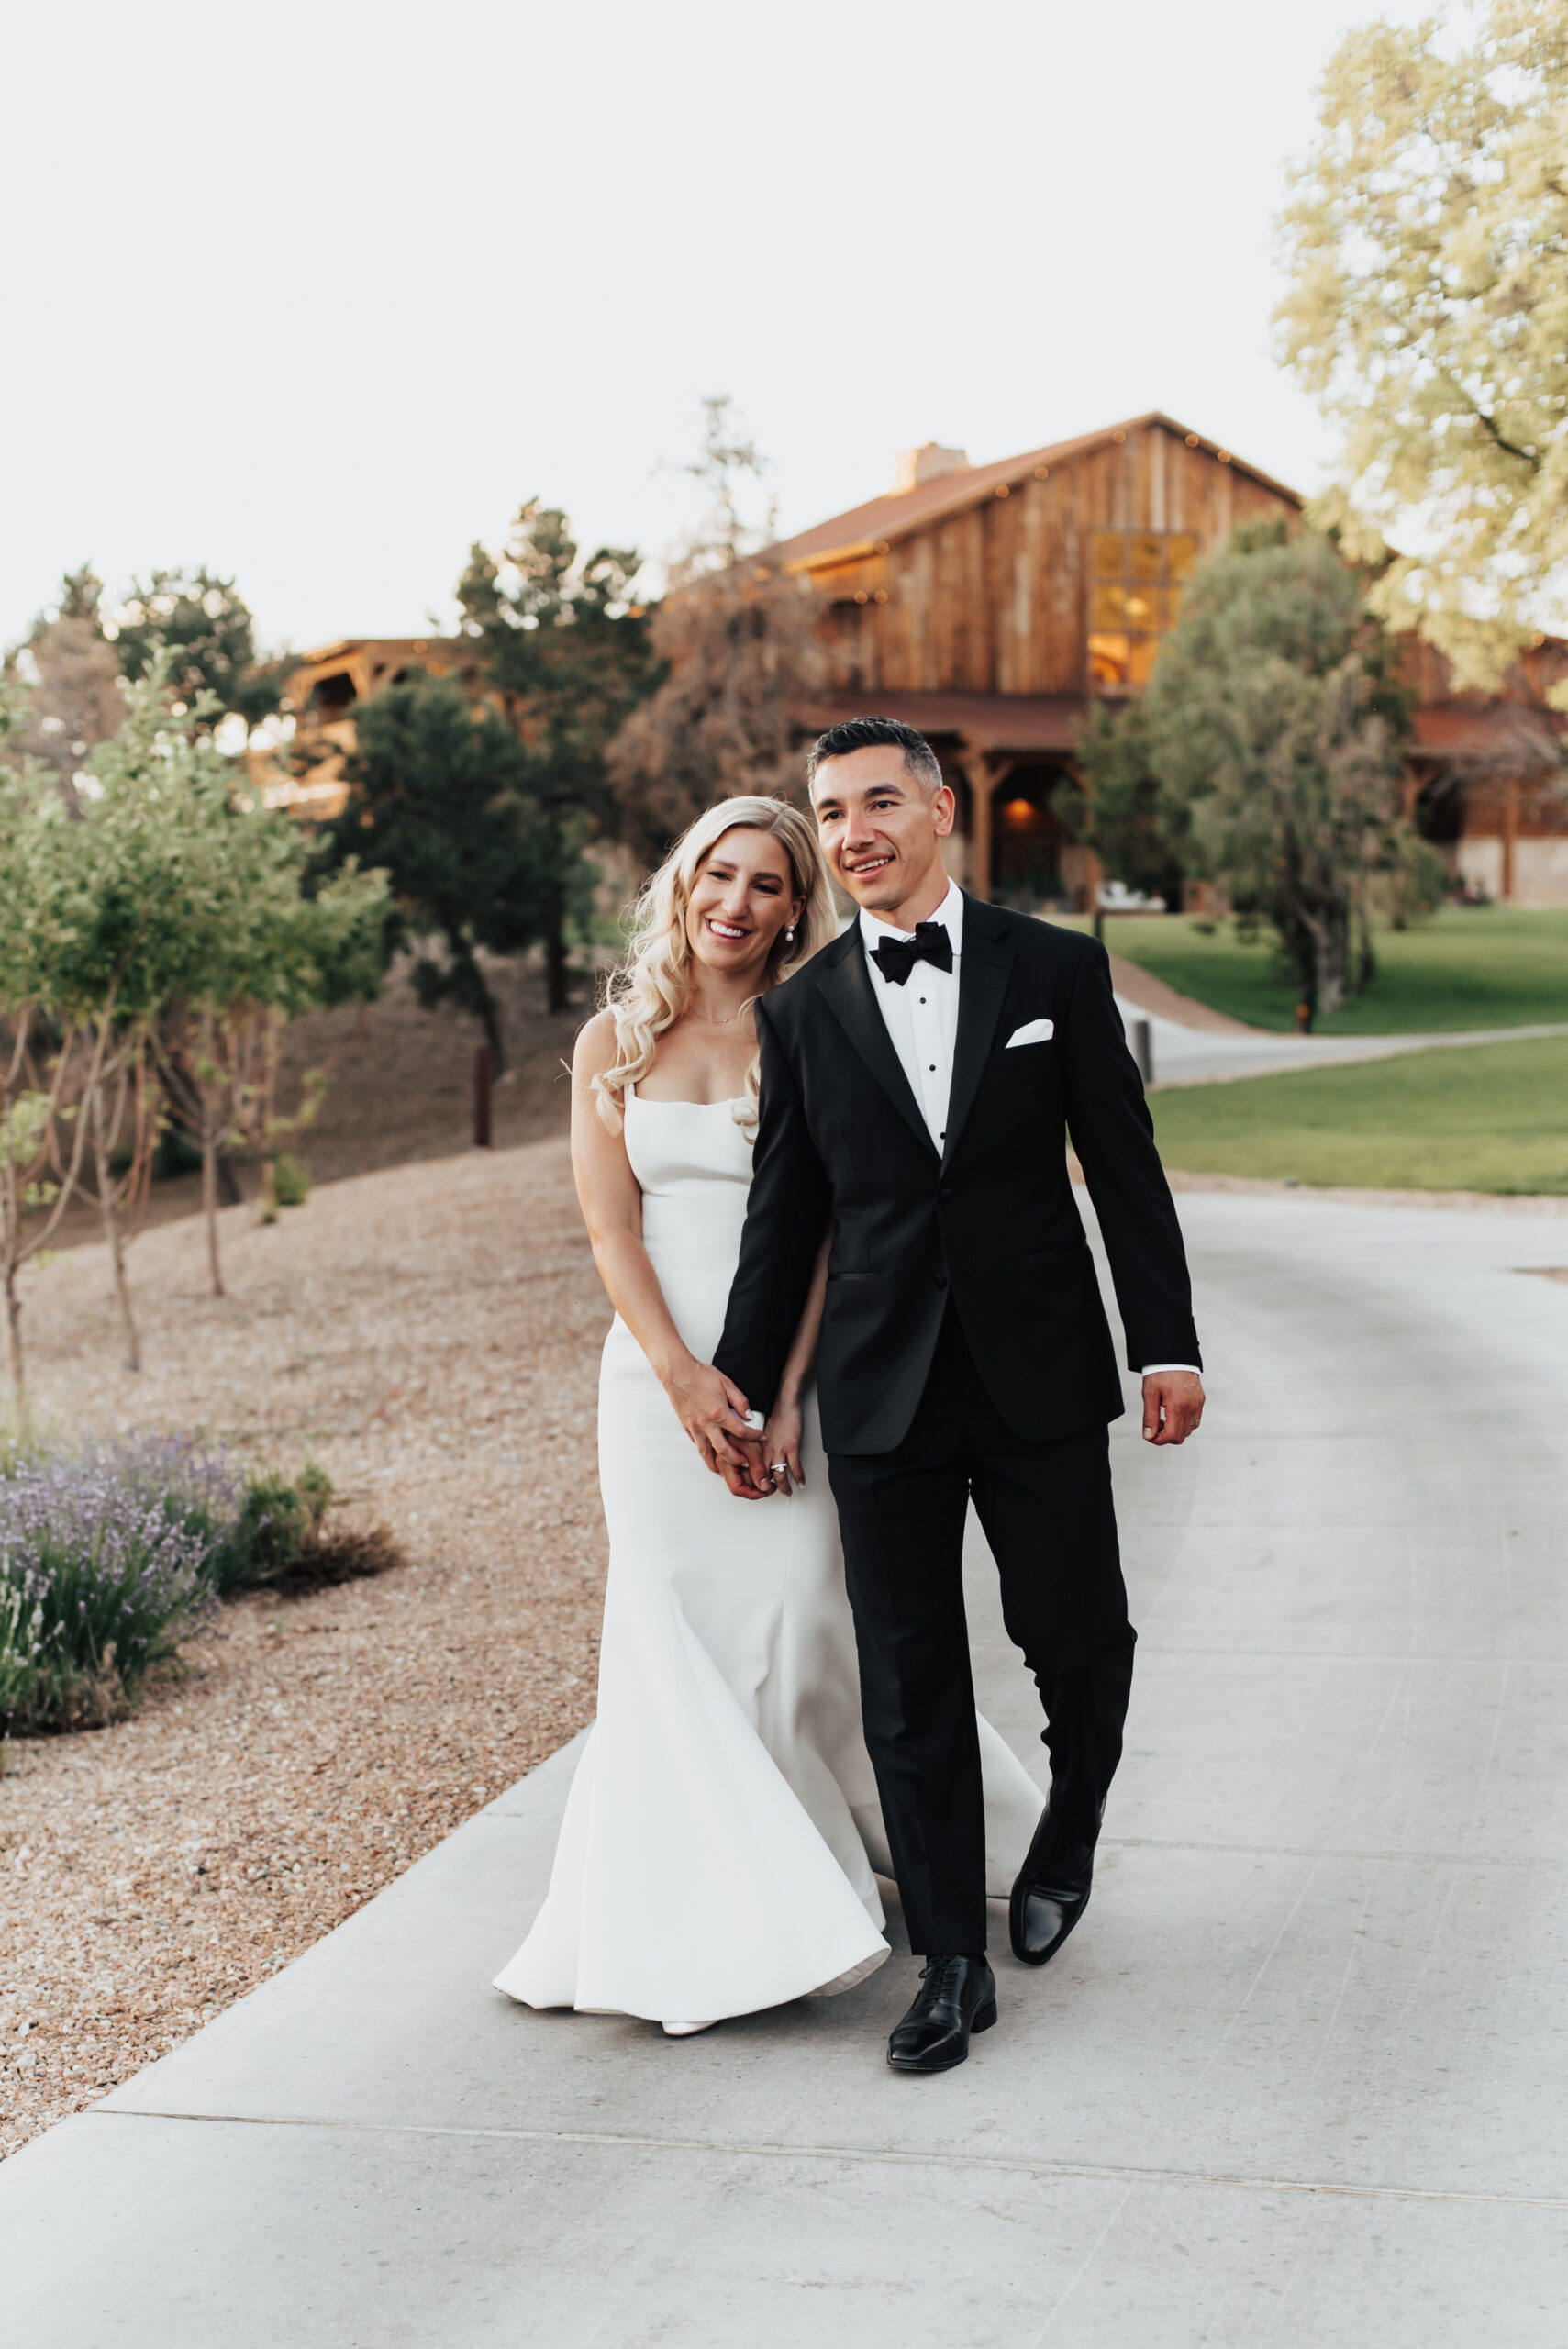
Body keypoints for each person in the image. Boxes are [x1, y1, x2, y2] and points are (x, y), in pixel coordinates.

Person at [493, 796, 1042, 2037]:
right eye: (715, 877)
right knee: (670, 1638)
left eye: (763, 884)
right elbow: (606, 1226)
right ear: (681, 885)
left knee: (802, 1615)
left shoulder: (813, 1029)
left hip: (791, 1370)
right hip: (649, 1383)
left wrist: (779, 1392)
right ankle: (758, 1911)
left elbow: (834, 1230)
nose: (733, 905)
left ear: (798, 906)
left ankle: (943, 1833)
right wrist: (680, 1376)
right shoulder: (611, 1041)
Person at [710, 718, 1205, 2075]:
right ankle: (948, 1964)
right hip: (879, 1395)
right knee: (909, 1681)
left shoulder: (1054, 967)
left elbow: (1122, 1163)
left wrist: (1164, 1342)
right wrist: (745, 1393)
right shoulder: (799, 1012)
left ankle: (1072, 1817)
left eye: (878, 801)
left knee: (1081, 1640)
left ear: (939, 812)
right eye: (830, 811)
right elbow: (782, 1225)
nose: (853, 830)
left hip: (1038, 1366)